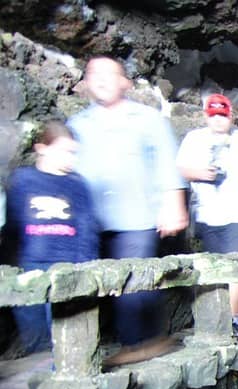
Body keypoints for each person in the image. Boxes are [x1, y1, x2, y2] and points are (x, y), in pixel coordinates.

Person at [69, 56, 187, 353]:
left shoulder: (147, 119)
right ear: (85, 83)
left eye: (110, 73)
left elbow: (166, 165)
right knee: (86, 286)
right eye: (94, 73)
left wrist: (174, 205)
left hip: (137, 218)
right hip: (90, 221)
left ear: (125, 82)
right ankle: (87, 351)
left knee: (133, 284)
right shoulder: (77, 125)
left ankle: (138, 348)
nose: (102, 79)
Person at [177, 93, 238, 335]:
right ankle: (218, 317)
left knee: (236, 263)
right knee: (215, 265)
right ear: (206, 116)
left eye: (223, 115)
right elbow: (181, 169)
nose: (219, 120)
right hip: (208, 213)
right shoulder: (194, 139)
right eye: (214, 115)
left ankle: (235, 317)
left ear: (230, 116)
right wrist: (201, 173)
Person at [3, 121, 100, 352]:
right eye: (64, 151)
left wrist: (84, 267)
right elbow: (13, 226)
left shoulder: (78, 185)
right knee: (34, 330)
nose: (70, 159)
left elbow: (87, 229)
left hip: (67, 267)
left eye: (73, 153)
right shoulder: (21, 181)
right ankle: (40, 373)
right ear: (42, 148)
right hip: (30, 266)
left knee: (66, 333)